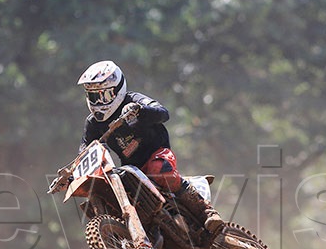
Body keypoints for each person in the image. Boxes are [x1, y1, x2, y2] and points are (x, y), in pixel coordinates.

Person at [76, 60, 223, 234]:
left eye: (104, 96)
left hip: (158, 154)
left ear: (117, 89)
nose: (99, 102)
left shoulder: (133, 100)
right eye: (94, 96)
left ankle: (207, 212)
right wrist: (74, 173)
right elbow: (85, 149)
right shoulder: (93, 123)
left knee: (158, 169)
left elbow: (163, 113)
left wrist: (140, 110)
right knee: (108, 194)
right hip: (131, 169)